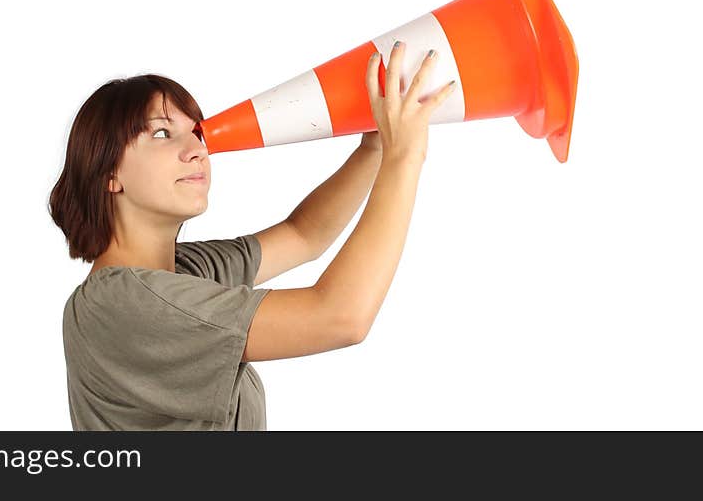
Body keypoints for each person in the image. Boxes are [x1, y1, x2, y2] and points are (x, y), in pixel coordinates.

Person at [49, 40, 456, 430]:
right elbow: (340, 317)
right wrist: (405, 156)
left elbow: (304, 234)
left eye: (196, 133)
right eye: (161, 133)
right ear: (109, 174)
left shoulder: (187, 271)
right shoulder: (122, 303)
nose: (197, 149)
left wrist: (377, 147)